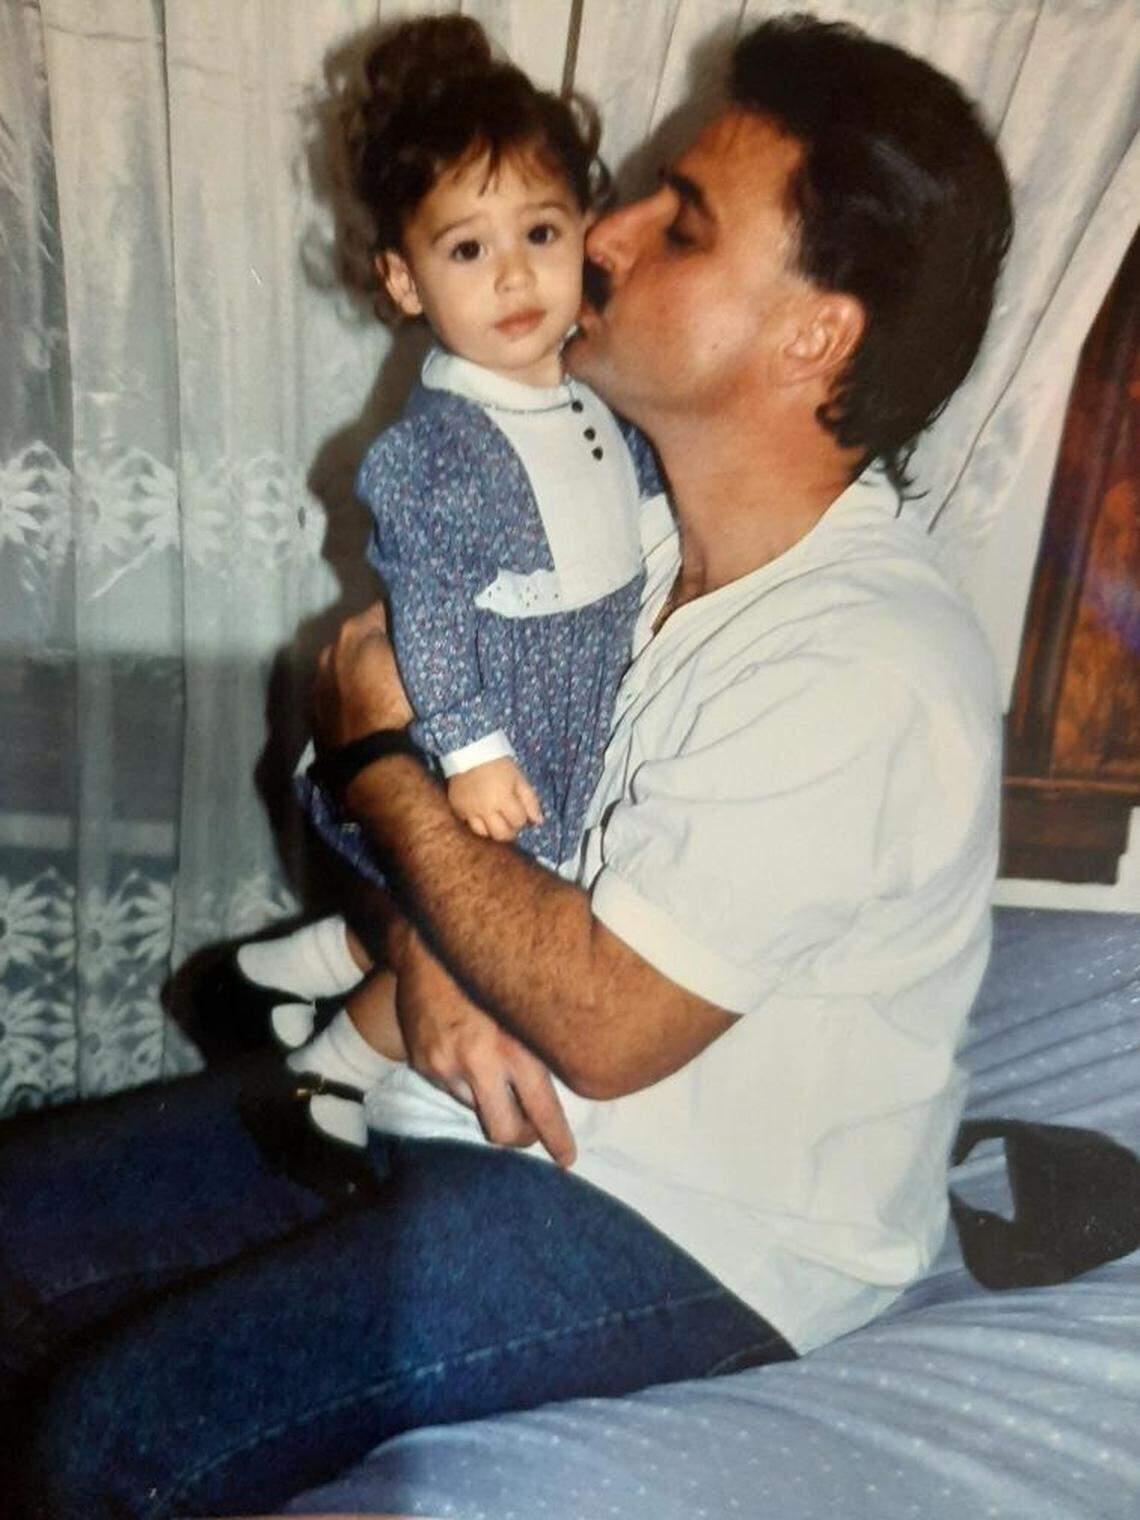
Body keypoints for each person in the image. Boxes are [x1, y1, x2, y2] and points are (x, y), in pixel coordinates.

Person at [0, 15, 1013, 1520]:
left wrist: (391, 769)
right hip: (474, 1095)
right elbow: (344, 743)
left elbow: (597, 1020)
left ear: (817, 333)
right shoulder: (631, 527)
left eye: (682, 224)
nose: (600, 233)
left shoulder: (867, 664)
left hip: (697, 1222)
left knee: (120, 1440)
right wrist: (430, 920)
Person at [223, 14, 659, 1155]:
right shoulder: (441, 446)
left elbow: (635, 511)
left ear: (585, 238)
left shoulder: (594, 401)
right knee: (478, 929)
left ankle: (285, 969)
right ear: (402, 280)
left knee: (466, 921)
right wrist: (468, 751)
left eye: (543, 231)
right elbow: (425, 606)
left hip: (564, 707)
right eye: (466, 250)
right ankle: (323, 1067)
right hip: (491, 719)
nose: (515, 274)